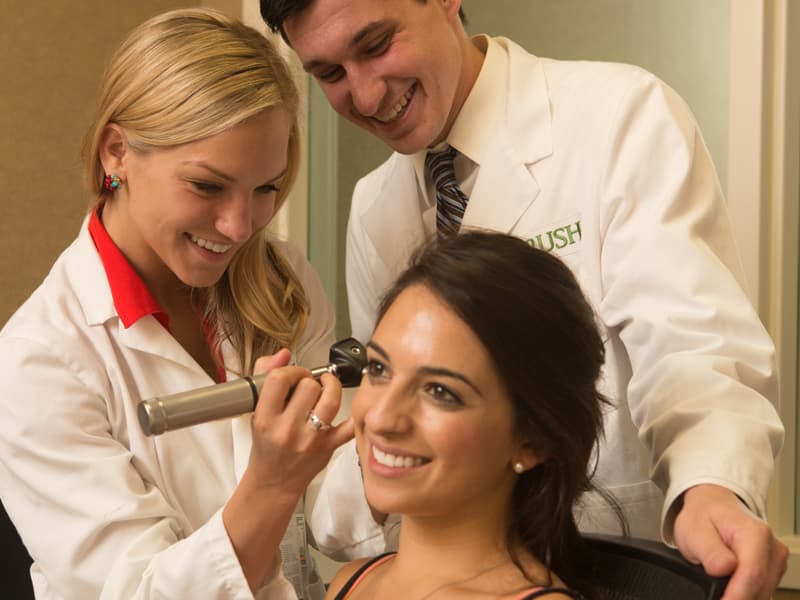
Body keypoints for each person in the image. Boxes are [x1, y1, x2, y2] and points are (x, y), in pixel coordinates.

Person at [259, 0, 788, 597]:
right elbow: (389, 409)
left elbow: (693, 345)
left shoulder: (619, 117)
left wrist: (709, 484)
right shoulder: (374, 206)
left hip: (612, 560)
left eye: (377, 44)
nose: (366, 95)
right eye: (329, 74)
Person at [0, 8, 382, 599]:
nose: (238, 226)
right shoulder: (37, 362)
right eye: (206, 186)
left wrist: (398, 441)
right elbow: (140, 593)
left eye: (266, 189)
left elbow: (332, 516)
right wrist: (271, 481)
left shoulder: (282, 283)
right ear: (116, 153)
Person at [329, 230, 618, 600]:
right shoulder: (352, 583)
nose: (382, 419)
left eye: (440, 392)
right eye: (379, 369)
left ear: (533, 442)